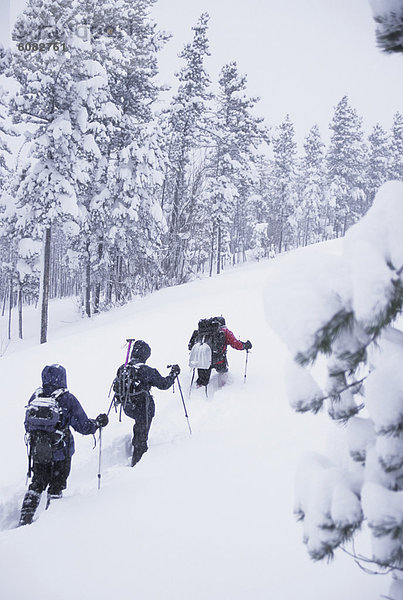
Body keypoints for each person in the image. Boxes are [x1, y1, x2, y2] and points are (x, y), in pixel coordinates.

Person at [19, 364, 108, 526]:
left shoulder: (36, 396)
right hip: (61, 452)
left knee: (37, 483)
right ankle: (50, 524)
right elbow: (83, 426)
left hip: (39, 451)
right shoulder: (67, 398)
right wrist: (97, 423)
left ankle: (25, 517)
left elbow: (27, 424)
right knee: (56, 485)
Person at [112, 340, 180, 467]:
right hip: (143, 407)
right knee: (141, 433)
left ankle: (137, 447)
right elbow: (164, 384)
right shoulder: (146, 370)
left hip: (128, 406)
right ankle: (139, 460)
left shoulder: (123, 368)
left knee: (139, 427)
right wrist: (173, 374)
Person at [188, 316, 252, 387]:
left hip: (203, 360)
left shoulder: (201, 332)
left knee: (202, 381)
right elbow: (236, 344)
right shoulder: (225, 331)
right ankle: (222, 390)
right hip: (218, 360)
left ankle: (197, 393)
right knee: (223, 374)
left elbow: (190, 346)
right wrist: (245, 345)